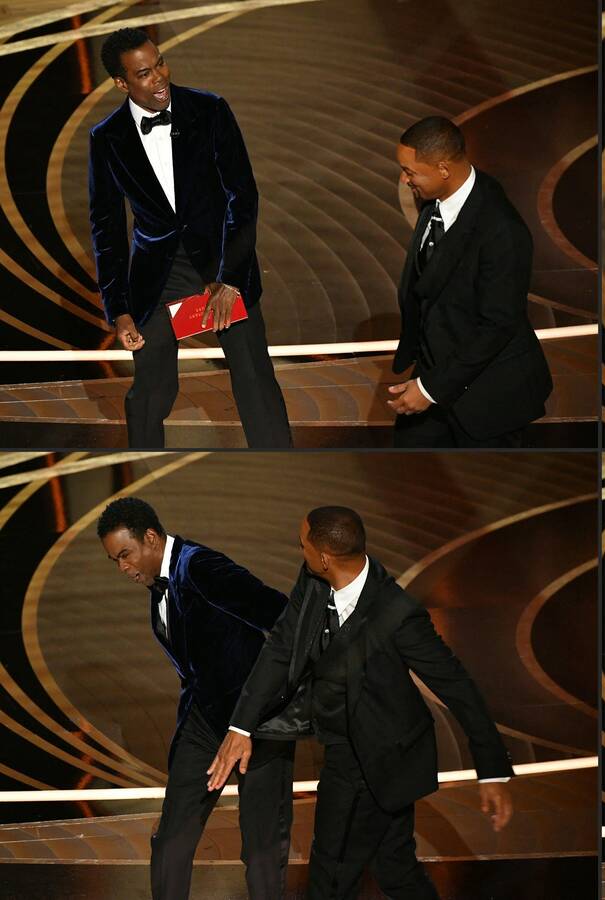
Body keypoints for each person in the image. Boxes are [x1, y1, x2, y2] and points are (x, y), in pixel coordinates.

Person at [207, 506, 514, 899]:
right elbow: (282, 646)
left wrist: (491, 771)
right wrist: (241, 726)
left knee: (330, 877)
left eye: (301, 545)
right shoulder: (314, 580)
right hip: (345, 742)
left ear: (324, 557)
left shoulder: (398, 615)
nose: (298, 550)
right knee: (396, 870)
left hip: (380, 755)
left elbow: (456, 685)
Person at [89, 28, 292, 448]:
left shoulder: (210, 110)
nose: (160, 77)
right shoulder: (106, 138)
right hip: (159, 277)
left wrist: (230, 278)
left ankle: (276, 456)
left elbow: (243, 196)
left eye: (160, 62)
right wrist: (119, 310)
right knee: (148, 393)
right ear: (121, 83)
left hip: (222, 264)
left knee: (254, 381)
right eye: (144, 73)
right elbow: (105, 228)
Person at [96, 497, 294, 900]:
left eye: (125, 555)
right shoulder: (158, 588)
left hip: (258, 721)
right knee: (171, 838)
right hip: (203, 722)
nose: (123, 568)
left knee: (261, 849)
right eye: (115, 560)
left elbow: (279, 614)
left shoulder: (201, 567)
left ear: (150, 538)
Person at [386, 116, 552, 447]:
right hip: (438, 376)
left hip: (488, 400)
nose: (405, 180)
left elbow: (498, 325)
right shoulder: (437, 200)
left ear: (444, 169)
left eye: (411, 172)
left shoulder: (501, 230)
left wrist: (431, 388)